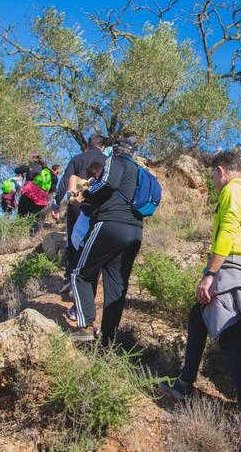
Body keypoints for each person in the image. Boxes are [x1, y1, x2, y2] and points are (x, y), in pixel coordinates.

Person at [159, 150, 241, 433]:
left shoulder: (232, 191)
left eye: (212, 174)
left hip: (231, 269)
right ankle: (185, 383)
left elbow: (228, 232)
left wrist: (209, 274)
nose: (212, 180)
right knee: (197, 318)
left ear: (221, 170)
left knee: (232, 342)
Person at [66, 137, 145, 344]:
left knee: (79, 273)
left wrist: (86, 194)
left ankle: (85, 330)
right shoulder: (138, 171)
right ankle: (108, 341)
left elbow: (108, 184)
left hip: (110, 225)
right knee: (116, 286)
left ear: (116, 150)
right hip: (135, 230)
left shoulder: (115, 161)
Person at [53, 134, 107, 293]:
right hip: (98, 206)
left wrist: (57, 202)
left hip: (77, 203)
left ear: (89, 145)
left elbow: (65, 180)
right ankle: (87, 282)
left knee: (73, 240)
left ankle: (70, 277)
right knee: (94, 242)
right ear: (102, 147)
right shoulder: (108, 161)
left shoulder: (77, 158)